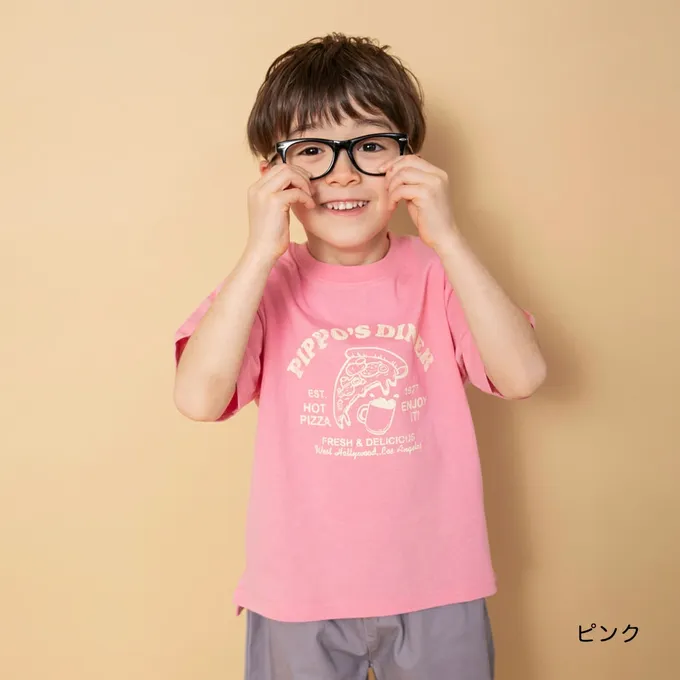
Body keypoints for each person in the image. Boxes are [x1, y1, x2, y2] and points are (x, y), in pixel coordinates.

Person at [173, 32, 546, 680]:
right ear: (273, 174)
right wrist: (260, 250)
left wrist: (449, 237)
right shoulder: (262, 285)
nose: (343, 173)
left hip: (439, 585)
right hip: (296, 593)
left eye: (370, 146)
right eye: (312, 151)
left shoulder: (439, 273)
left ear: (408, 160)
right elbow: (198, 399)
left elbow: (522, 376)